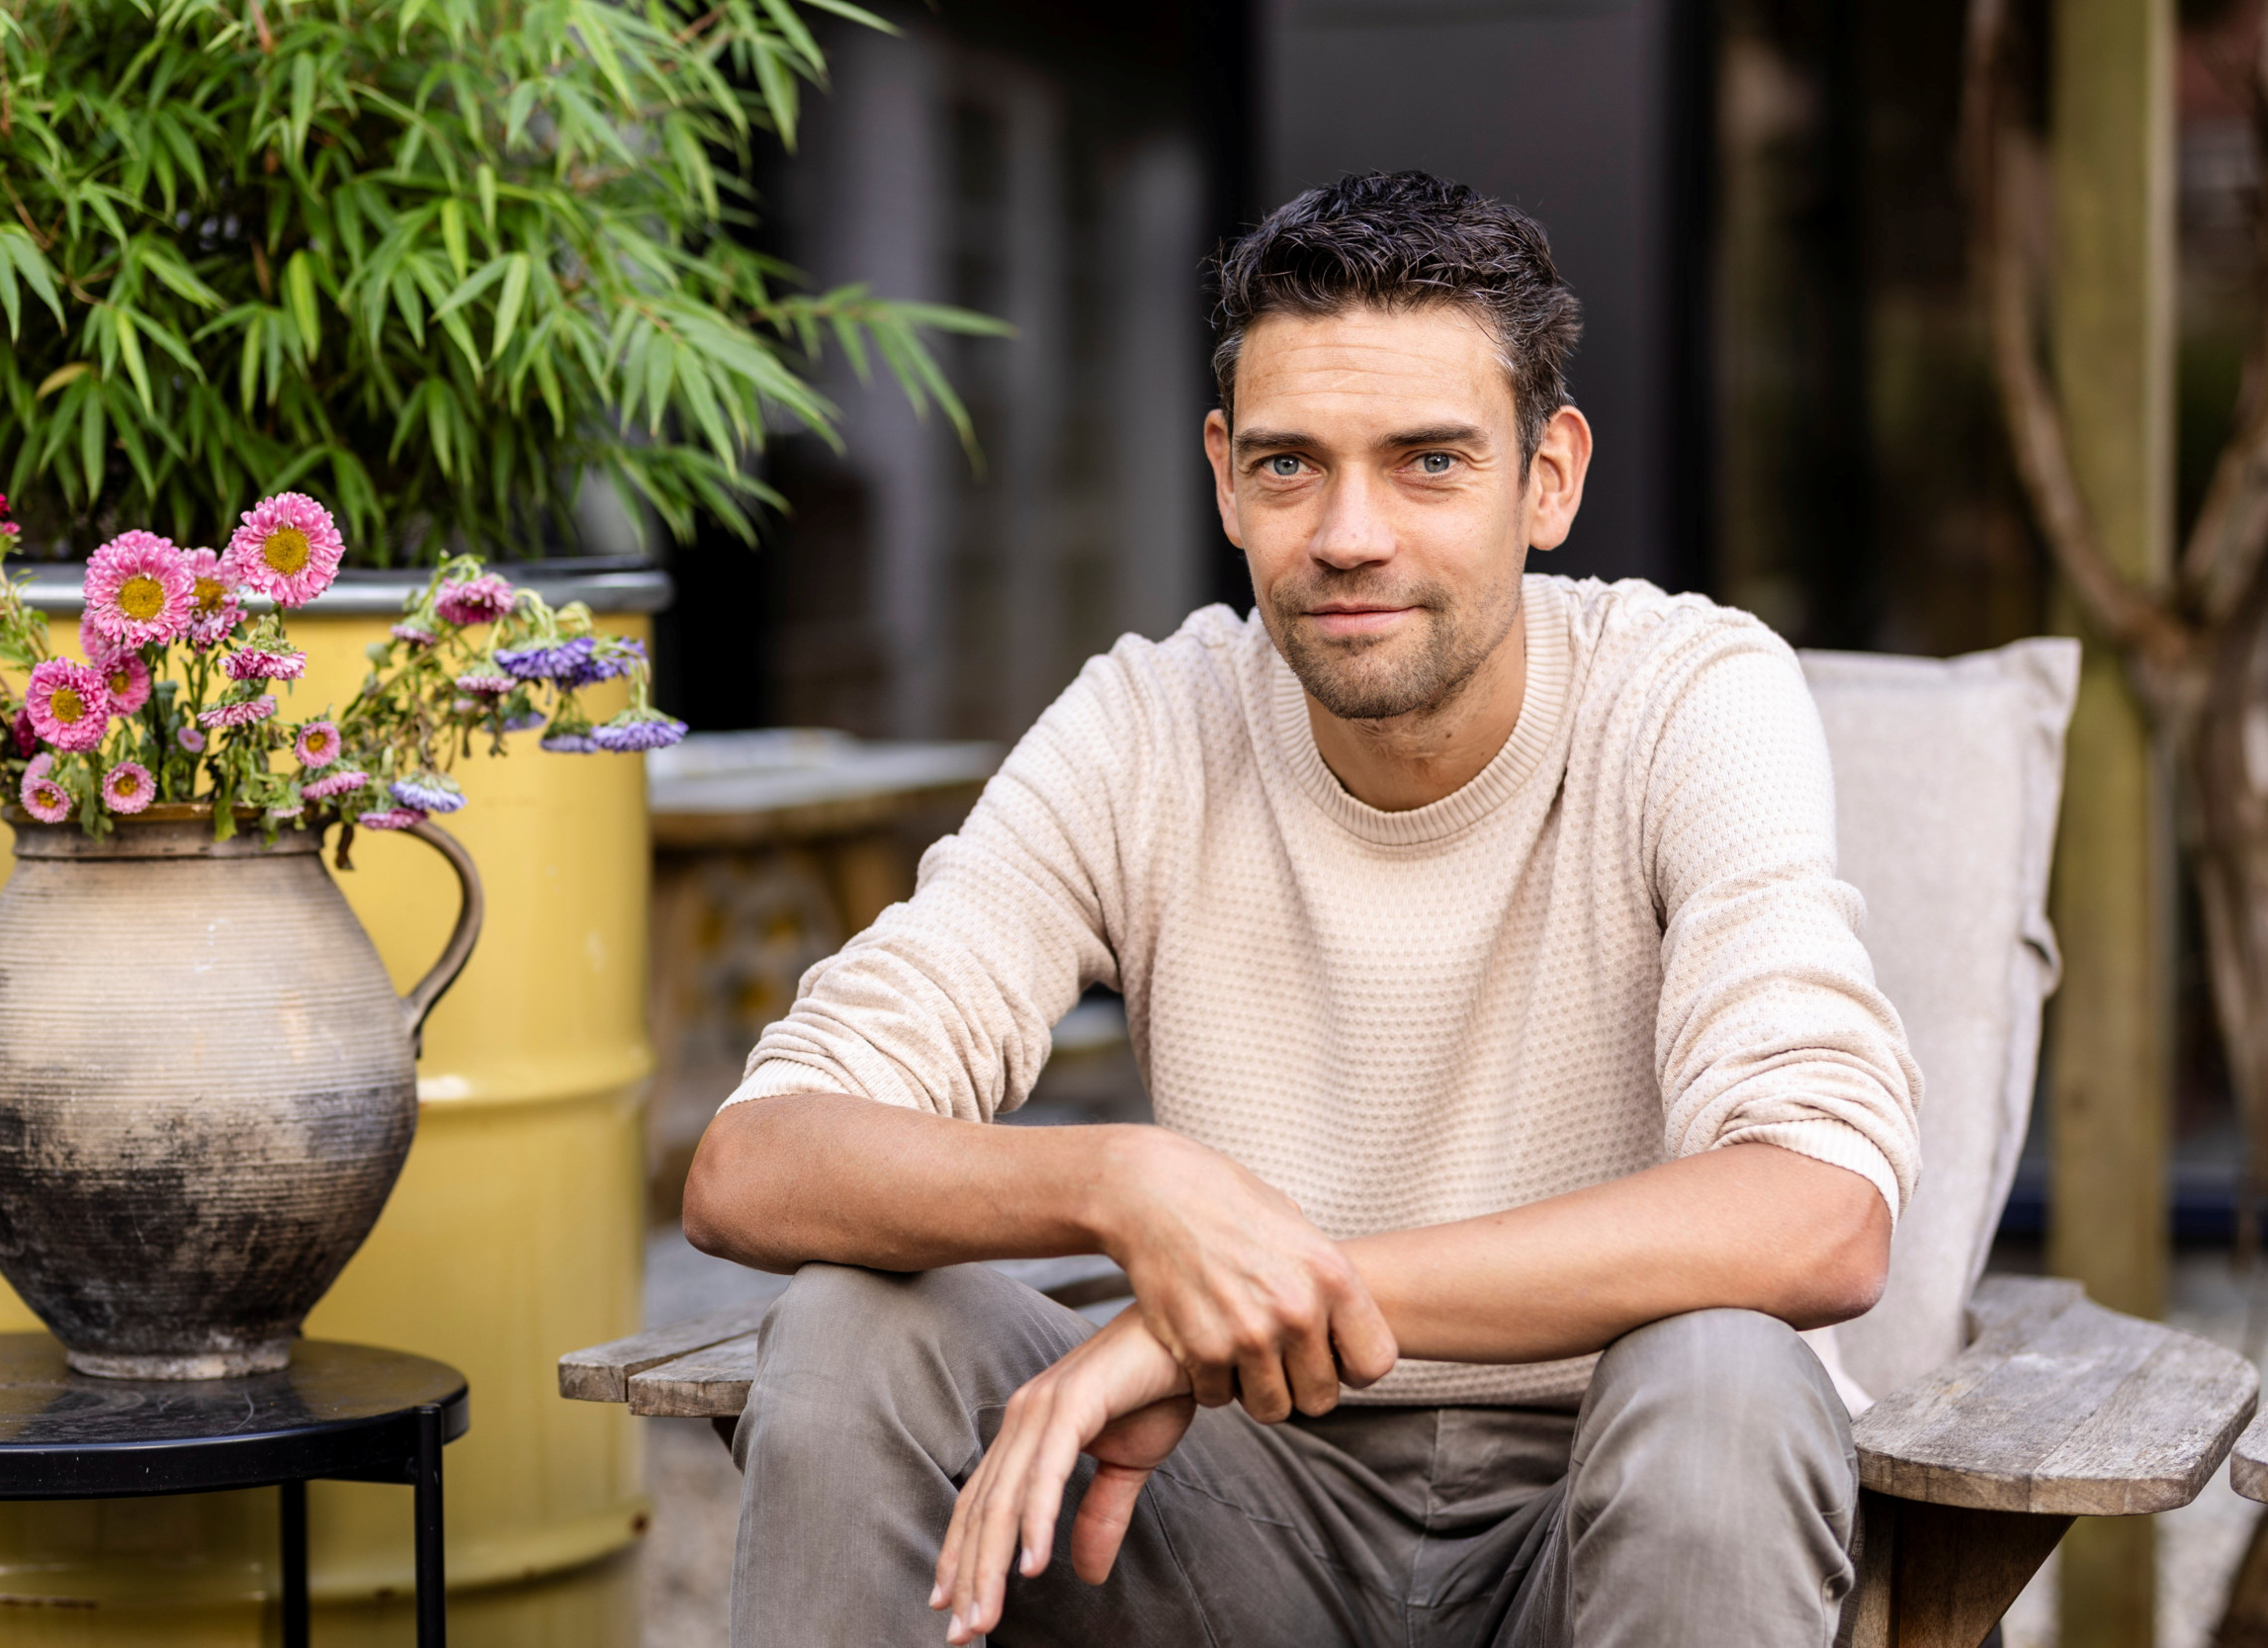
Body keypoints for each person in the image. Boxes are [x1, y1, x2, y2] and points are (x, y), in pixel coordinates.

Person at [683, 171, 1920, 1648]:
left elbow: (1819, 1208)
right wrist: (1119, 1188)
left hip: (1607, 1512)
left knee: (1729, 1375)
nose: (1347, 534)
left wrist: (1247, 1299)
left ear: (1550, 476)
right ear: (1222, 476)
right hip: (1218, 1520)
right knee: (854, 1329)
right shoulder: (1150, 724)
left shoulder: (1689, 697)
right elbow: (756, 1163)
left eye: (1427, 464)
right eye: (1289, 468)